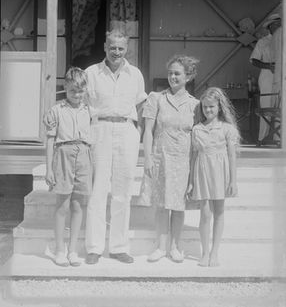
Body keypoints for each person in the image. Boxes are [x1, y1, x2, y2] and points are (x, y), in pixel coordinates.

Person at [85, 29, 147, 264]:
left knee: (123, 191)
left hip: (126, 130)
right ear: (105, 46)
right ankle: (94, 247)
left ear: (127, 48)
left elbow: (141, 104)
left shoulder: (135, 74)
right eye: (112, 47)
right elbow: (84, 103)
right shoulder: (92, 73)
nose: (116, 52)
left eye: (121, 48)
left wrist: (137, 131)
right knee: (98, 190)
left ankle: (119, 246)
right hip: (99, 130)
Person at [141, 55, 199, 263]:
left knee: (178, 205)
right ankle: (160, 246)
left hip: (183, 160)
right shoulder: (156, 98)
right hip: (160, 157)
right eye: (170, 73)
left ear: (188, 77)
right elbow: (147, 131)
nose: (173, 77)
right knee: (161, 204)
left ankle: (175, 246)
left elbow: (197, 136)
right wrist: (147, 157)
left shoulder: (195, 105)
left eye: (177, 73)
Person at [44, 67, 92, 267]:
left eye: (80, 91)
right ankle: (59, 249)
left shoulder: (89, 110)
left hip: (83, 155)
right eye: (73, 90)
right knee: (63, 205)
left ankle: (73, 250)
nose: (77, 95)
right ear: (65, 88)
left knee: (78, 204)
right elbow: (49, 140)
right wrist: (49, 168)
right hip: (63, 154)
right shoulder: (57, 110)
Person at [186, 87, 240, 267]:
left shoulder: (227, 129)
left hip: (220, 173)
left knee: (219, 211)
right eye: (205, 107)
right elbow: (193, 157)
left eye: (211, 107)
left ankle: (215, 253)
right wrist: (191, 181)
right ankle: (205, 252)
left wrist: (233, 180)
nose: (208, 110)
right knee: (205, 213)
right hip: (202, 172)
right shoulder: (197, 130)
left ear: (219, 107)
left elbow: (232, 156)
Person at [250, 13, 281, 145]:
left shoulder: (283, 40)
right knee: (267, 106)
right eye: (277, 25)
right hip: (268, 75)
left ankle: (279, 138)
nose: (280, 27)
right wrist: (268, 66)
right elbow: (254, 60)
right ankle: (262, 138)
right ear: (270, 26)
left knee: (280, 106)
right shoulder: (263, 42)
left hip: (281, 75)